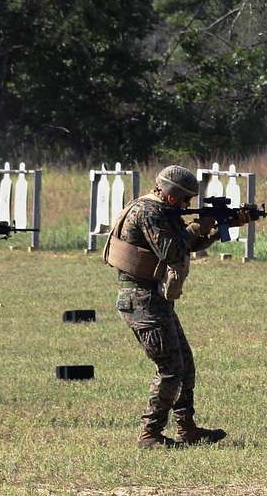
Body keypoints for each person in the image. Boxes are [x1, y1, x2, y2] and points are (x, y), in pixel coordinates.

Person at [104, 164, 248, 448]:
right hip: (141, 300)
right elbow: (170, 251)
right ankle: (150, 434)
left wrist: (222, 229)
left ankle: (187, 429)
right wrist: (199, 224)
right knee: (170, 368)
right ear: (171, 196)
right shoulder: (148, 212)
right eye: (185, 200)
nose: (187, 206)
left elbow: (188, 245)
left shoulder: (162, 211)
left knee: (185, 365)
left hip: (155, 299)